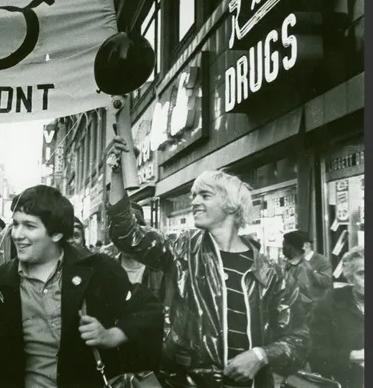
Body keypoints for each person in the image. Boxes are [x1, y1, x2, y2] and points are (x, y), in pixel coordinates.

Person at [106, 136, 309, 388]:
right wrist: (116, 171)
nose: (194, 202)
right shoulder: (182, 251)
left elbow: (299, 338)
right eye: (193, 195)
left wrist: (260, 355)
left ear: (231, 204)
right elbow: (128, 234)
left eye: (204, 195)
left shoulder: (270, 273)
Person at [0, 184, 164, 387]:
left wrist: (112, 335)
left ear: (57, 233)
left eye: (29, 226)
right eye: (15, 224)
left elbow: (149, 310)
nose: (17, 234)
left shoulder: (97, 269)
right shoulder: (0, 280)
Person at [309, 246, 364, 388]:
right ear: (350, 276)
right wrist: (351, 356)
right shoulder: (329, 304)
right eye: (362, 273)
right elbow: (314, 354)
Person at [102, 205, 166, 301]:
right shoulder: (110, 267)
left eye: (134, 232)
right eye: (124, 233)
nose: (130, 239)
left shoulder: (157, 270)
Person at [282, 230, 333, 315]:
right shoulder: (291, 263)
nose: (283, 249)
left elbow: (326, 281)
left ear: (306, 245)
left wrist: (310, 271)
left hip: (315, 310)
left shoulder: (322, 260)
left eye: (286, 246)